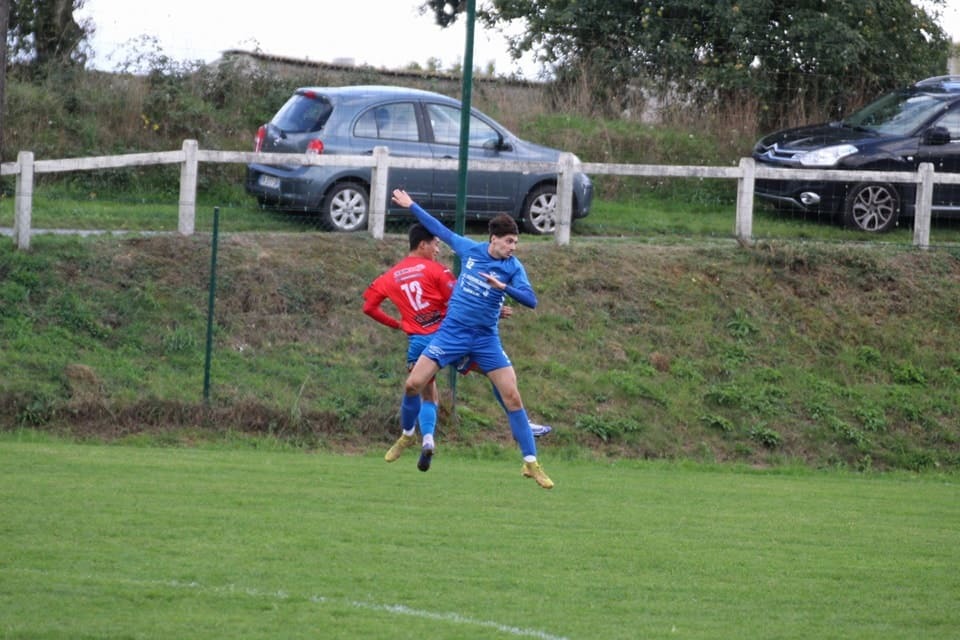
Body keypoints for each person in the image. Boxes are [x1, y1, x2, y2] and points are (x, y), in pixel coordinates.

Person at [389, 188, 554, 489]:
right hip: (451, 334)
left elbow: (531, 301)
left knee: (512, 396)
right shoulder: (470, 250)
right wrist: (412, 205)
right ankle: (407, 435)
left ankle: (531, 463)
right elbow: (440, 229)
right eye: (509, 242)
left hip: (485, 340)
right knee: (413, 383)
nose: (513, 247)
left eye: (516, 242)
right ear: (494, 239)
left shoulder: (513, 268)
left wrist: (501, 285)